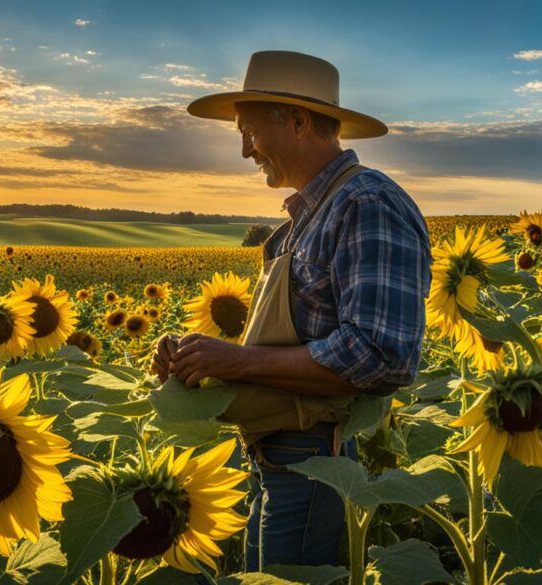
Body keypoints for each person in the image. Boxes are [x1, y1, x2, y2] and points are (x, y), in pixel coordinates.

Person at [151, 50, 432, 570]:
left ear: (300, 122)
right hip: (272, 455)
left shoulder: (365, 203)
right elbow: (291, 348)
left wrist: (234, 363)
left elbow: (379, 354)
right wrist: (200, 360)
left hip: (311, 461)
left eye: (250, 134)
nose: (243, 152)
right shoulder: (300, 221)